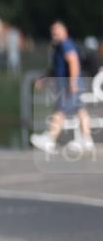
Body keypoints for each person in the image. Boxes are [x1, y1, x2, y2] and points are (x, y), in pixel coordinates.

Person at [30, 21, 94, 153]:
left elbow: (73, 61)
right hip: (70, 82)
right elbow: (55, 68)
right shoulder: (58, 47)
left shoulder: (65, 44)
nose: (54, 34)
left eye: (57, 31)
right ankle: (87, 140)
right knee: (80, 109)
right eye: (53, 32)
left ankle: (50, 138)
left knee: (61, 110)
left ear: (65, 32)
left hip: (70, 83)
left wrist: (73, 82)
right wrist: (43, 78)